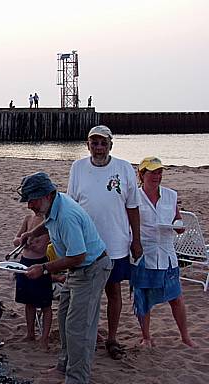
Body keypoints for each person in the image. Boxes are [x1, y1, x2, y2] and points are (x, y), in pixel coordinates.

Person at [17, 172, 111, 384]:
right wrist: (31, 232)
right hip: (77, 270)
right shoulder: (53, 206)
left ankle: (77, 379)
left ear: (49, 195)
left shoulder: (67, 215)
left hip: (91, 268)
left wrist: (44, 268)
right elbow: (47, 223)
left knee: (79, 326)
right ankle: (64, 366)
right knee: (64, 317)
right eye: (28, 200)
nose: (30, 205)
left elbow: (78, 255)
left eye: (33, 199)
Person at [67, 125, 142, 360]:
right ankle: (88, 336)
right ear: (88, 145)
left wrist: (136, 240)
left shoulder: (124, 168)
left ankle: (112, 337)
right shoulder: (78, 168)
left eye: (103, 143)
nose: (98, 148)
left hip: (116, 243)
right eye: (94, 143)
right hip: (86, 245)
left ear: (110, 145)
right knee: (87, 294)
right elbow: (71, 207)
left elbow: (133, 207)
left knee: (113, 292)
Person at [131, 157, 195, 348]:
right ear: (142, 174)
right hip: (144, 254)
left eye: (160, 172)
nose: (157, 176)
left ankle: (185, 336)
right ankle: (146, 336)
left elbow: (177, 218)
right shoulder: (134, 196)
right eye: (153, 172)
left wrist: (178, 226)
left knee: (176, 297)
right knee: (143, 298)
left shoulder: (170, 195)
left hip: (167, 254)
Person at [12, 212, 52, 349]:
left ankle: (44, 338)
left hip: (40, 264)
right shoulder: (28, 218)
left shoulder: (48, 222)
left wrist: (32, 244)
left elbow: (42, 248)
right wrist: (22, 241)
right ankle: (30, 333)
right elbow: (16, 240)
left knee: (45, 304)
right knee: (29, 302)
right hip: (25, 262)